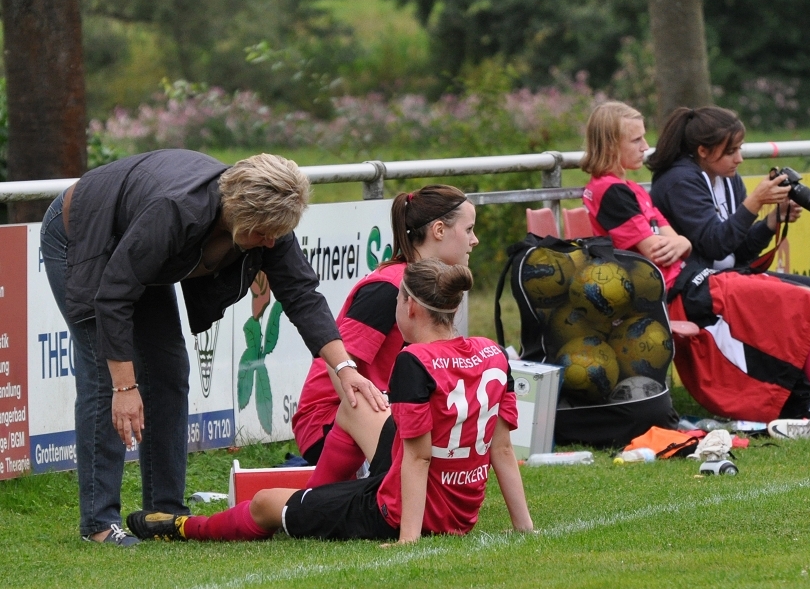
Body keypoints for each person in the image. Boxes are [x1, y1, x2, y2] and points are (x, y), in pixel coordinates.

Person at [40, 149, 386, 547]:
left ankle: (164, 512)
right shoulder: (174, 212)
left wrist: (345, 370)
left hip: (135, 248)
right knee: (106, 377)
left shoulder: (269, 220)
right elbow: (113, 295)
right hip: (84, 234)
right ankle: (99, 524)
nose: (271, 241)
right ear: (238, 212)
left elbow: (302, 294)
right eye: (263, 233)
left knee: (169, 370)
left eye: (278, 233)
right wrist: (125, 388)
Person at [126, 259, 534, 544]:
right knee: (355, 404)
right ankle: (315, 500)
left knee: (267, 503)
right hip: (455, 509)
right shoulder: (493, 352)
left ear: (409, 305)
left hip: (406, 510)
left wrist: (409, 539)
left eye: (396, 301)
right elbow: (500, 447)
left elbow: (419, 459)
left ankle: (184, 526)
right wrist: (523, 527)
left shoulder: (414, 359)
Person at [580, 101, 810, 428]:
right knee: (809, 302)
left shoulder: (632, 188)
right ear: (612, 144)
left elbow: (682, 245)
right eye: (636, 140)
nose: (645, 147)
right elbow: (663, 251)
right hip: (685, 292)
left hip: (697, 281)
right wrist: (749, 207)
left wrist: (763, 222)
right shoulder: (619, 191)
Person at [292, 184, 478, 488]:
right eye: (468, 229)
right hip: (326, 423)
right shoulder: (388, 289)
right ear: (440, 230)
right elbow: (334, 362)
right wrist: (366, 429)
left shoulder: (426, 284)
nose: (474, 240)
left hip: (383, 411)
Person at [646, 106, 810, 332]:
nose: (739, 159)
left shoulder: (728, 178)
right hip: (698, 287)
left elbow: (741, 251)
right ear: (703, 151)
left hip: (731, 277)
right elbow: (716, 245)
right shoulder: (679, 181)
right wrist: (755, 203)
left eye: (739, 149)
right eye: (730, 152)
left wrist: (773, 221)